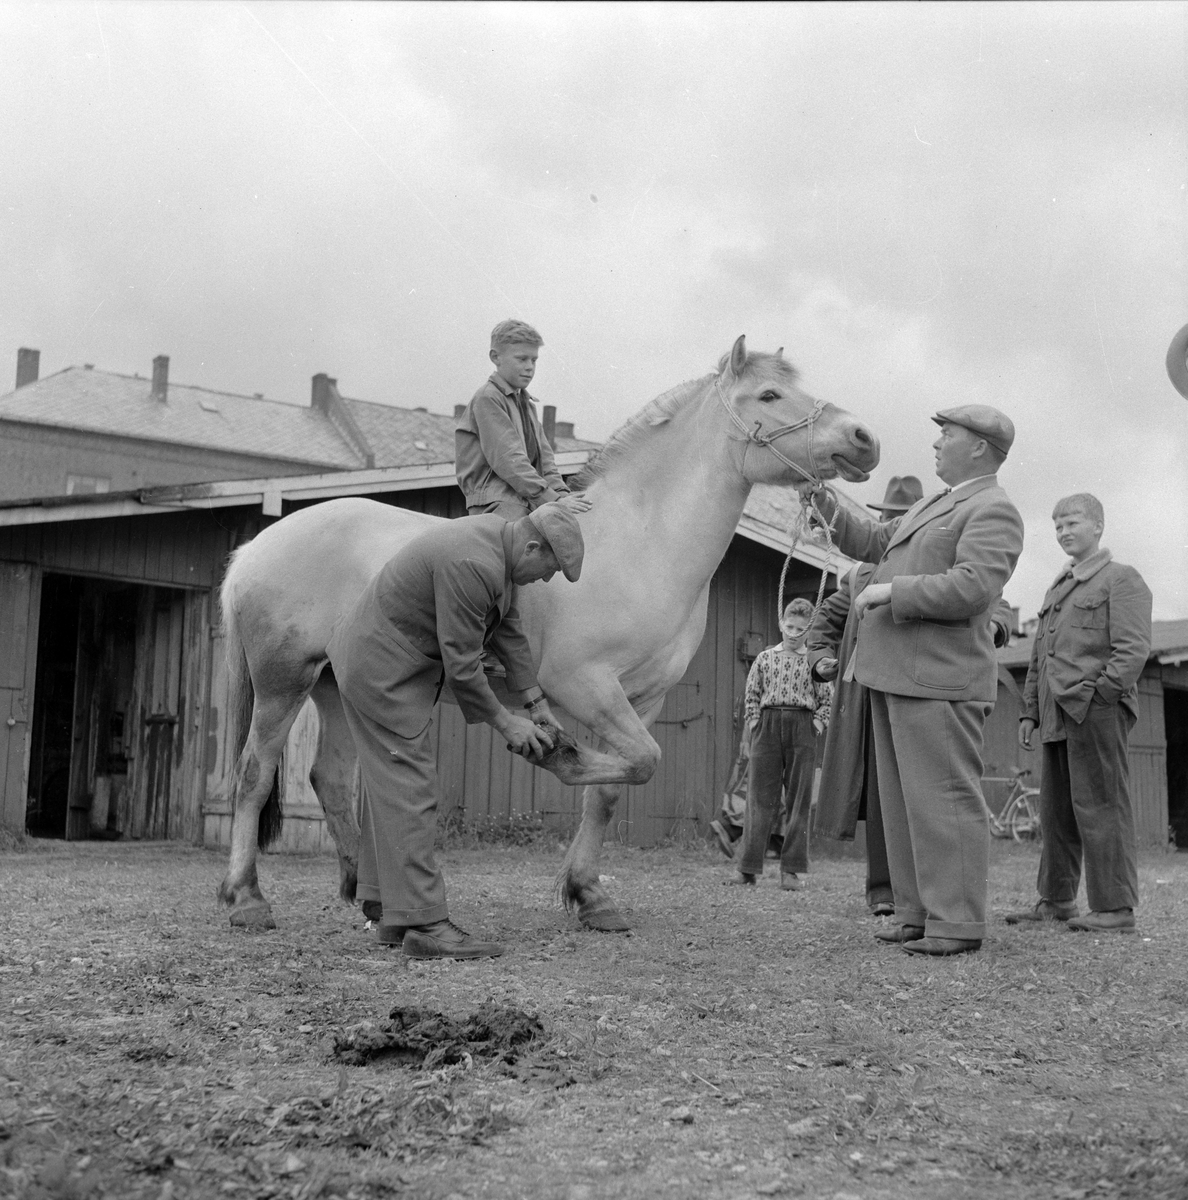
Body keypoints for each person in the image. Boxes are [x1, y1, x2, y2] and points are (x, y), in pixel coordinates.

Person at [800, 406, 1024, 956]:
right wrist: (821, 497)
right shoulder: (933, 504)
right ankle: (915, 914)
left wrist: (891, 593)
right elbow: (873, 540)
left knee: (944, 802)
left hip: (939, 680)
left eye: (946, 435)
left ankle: (956, 922)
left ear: (978, 448)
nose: (936, 443)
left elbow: (973, 587)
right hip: (896, 676)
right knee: (901, 805)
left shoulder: (993, 508)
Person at [325, 502, 584, 959]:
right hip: (380, 668)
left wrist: (536, 704)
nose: (547, 579)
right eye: (550, 568)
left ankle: (387, 907)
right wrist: (507, 722)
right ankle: (424, 923)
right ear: (531, 546)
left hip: (376, 657)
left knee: (390, 786)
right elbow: (463, 667)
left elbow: (509, 632)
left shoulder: (495, 544)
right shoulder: (474, 563)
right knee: (410, 786)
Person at [1007, 494, 1152, 933]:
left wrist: (1100, 695)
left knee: (1101, 805)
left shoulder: (1121, 578)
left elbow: (1133, 651)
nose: (1063, 532)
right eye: (1057, 526)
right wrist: (1029, 711)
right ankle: (1056, 900)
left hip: (1095, 710)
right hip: (1055, 713)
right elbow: (1039, 656)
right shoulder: (1059, 586)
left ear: (1098, 527)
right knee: (1056, 811)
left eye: (1072, 523)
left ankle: (1115, 908)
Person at [808, 475, 924, 916]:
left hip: (919, 692)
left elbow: (990, 599)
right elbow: (823, 623)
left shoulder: (934, 562)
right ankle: (883, 890)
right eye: (885, 516)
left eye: (899, 516)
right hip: (869, 698)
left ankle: (926, 891)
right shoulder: (859, 576)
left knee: (920, 793)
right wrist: (819, 659)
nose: (890, 523)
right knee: (880, 794)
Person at [727, 598, 832, 891]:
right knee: (759, 800)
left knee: (798, 801)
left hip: (803, 728)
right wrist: (754, 723)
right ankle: (747, 869)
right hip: (768, 727)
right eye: (790, 626)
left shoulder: (815, 662)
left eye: (801, 629)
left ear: (809, 631)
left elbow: (827, 699)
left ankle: (792, 871)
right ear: (781, 624)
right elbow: (751, 694)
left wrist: (817, 724)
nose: (794, 633)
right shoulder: (764, 658)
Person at [455, 318, 575, 519]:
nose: (530, 367)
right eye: (522, 359)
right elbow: (509, 460)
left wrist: (562, 495)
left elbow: (546, 462)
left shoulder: (526, 404)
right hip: (497, 504)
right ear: (496, 357)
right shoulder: (488, 398)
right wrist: (552, 499)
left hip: (528, 500)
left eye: (534, 360)